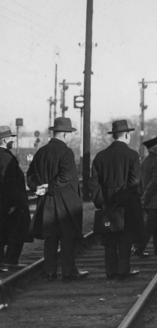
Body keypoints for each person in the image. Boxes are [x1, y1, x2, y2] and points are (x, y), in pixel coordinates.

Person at [26, 117, 88, 281]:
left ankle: (49, 272)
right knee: (67, 238)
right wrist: (49, 187)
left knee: (50, 238)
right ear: (66, 134)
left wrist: (37, 187)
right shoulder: (66, 152)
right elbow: (66, 176)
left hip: (46, 202)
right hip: (65, 203)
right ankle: (69, 272)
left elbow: (30, 174)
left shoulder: (41, 152)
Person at [90, 119, 144, 280]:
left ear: (114, 135)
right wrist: (125, 199)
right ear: (127, 135)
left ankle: (110, 271)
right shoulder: (133, 155)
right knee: (126, 237)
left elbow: (93, 183)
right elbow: (134, 182)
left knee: (109, 238)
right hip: (127, 205)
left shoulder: (100, 157)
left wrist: (101, 201)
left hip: (107, 204)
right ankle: (123, 270)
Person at [0, 126, 31, 270]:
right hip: (10, 205)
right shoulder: (6, 158)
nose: (13, 140)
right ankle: (9, 262)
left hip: (5, 203)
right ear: (5, 140)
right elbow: (9, 183)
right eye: (11, 137)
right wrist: (14, 203)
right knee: (15, 233)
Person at [135, 135, 157, 256]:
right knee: (150, 226)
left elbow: (141, 182)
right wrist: (146, 197)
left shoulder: (146, 161)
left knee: (156, 225)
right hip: (155, 199)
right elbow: (154, 182)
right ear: (153, 149)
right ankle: (139, 249)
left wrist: (143, 196)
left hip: (150, 198)